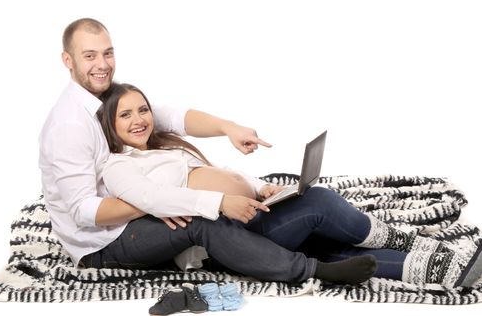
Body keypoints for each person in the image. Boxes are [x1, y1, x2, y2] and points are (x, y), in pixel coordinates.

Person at [38, 17, 377, 285]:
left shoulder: (110, 96)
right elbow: (84, 211)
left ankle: (354, 244)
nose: (102, 64)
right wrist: (159, 200)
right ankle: (310, 270)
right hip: (104, 243)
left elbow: (170, 118)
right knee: (201, 221)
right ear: (67, 60)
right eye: (90, 55)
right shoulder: (69, 126)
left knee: (286, 200)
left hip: (142, 204)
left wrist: (227, 128)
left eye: (107, 52)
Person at [98, 82, 482, 289]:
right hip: (228, 238)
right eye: (126, 115)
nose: (139, 120)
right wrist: (222, 201)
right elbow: (151, 197)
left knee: (329, 245)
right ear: (110, 127)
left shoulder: (165, 147)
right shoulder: (117, 167)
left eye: (143, 109)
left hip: (252, 210)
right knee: (319, 203)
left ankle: (444, 267)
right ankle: (403, 240)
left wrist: (260, 187)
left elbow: (214, 171)